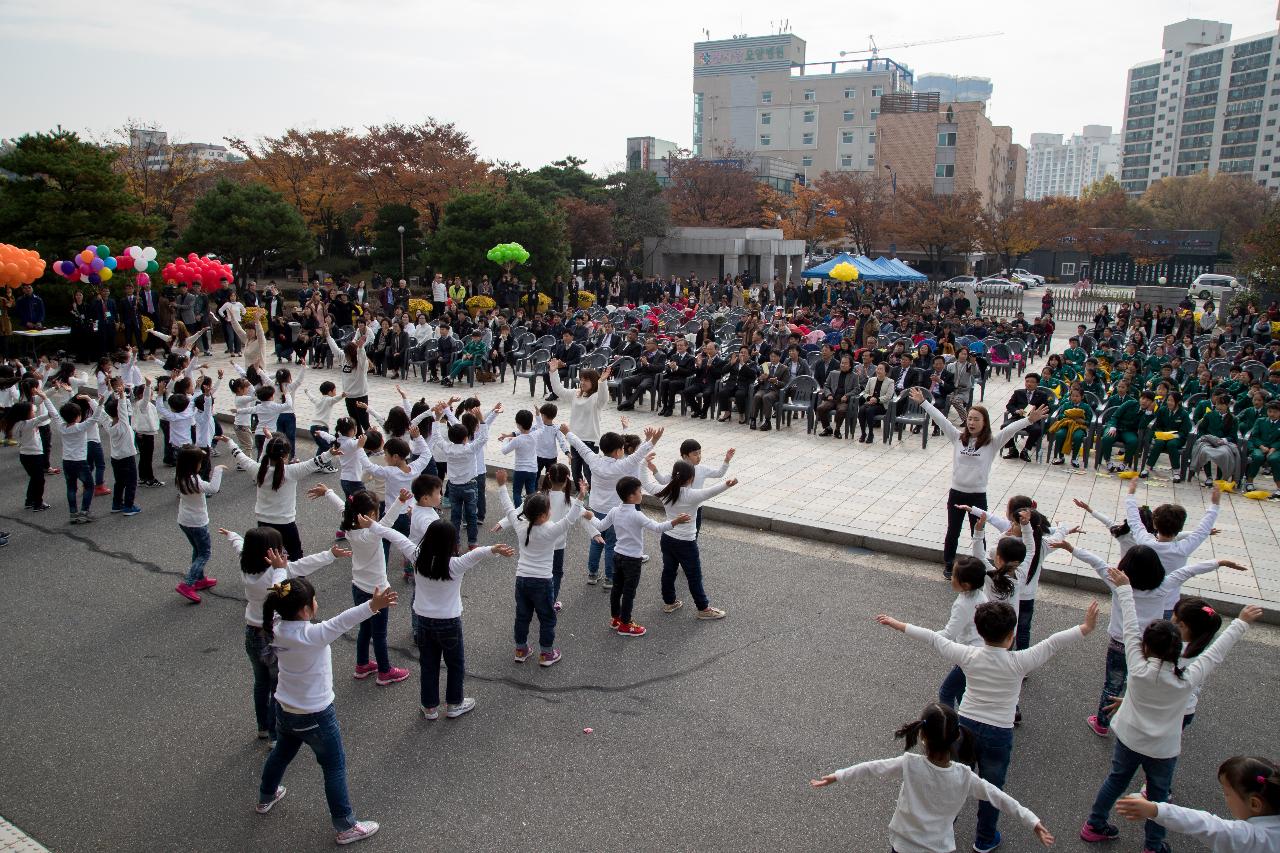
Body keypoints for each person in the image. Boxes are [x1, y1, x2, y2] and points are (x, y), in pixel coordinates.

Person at [876, 600, 1099, 853]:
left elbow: (933, 638)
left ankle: (943, 826)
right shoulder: (1020, 661)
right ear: (1012, 635)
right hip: (999, 735)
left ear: (979, 632)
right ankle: (984, 839)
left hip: (964, 729)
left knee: (953, 779)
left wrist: (897, 624)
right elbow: (1053, 642)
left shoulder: (968, 655)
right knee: (991, 790)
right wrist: (1086, 626)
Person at [1078, 569, 1259, 852]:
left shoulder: (1137, 667)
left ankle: (1094, 825)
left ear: (1145, 646)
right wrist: (1241, 622)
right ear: (1179, 647)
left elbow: (1130, 627)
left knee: (1115, 781)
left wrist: (1125, 589)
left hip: (1128, 738)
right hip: (1162, 749)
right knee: (1158, 798)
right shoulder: (1187, 677)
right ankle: (1153, 844)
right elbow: (1216, 651)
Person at [1050, 536, 1245, 738]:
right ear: (1157, 568)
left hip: (1119, 644)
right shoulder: (1164, 586)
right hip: (1152, 645)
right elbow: (1189, 570)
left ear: (1125, 567)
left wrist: (1071, 548)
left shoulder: (1117, 583)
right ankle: (1136, 718)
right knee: (1142, 681)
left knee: (1112, 684)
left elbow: (1096, 561)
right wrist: (1218, 563)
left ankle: (1102, 723)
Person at [255, 577, 393, 846]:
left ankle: (266, 795)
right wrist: (373, 605)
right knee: (334, 766)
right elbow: (343, 620)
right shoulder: (312, 635)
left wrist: (280, 572)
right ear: (306, 610)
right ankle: (345, 825)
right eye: (314, 600)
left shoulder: (276, 627)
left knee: (282, 753)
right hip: (316, 715)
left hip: (285, 709)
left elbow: (278, 595)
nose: (317, 603)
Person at [809, 702, 1054, 853]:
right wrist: (1032, 821)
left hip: (903, 844)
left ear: (922, 737)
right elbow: (999, 797)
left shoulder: (910, 765)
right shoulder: (965, 776)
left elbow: (872, 768)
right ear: (957, 737)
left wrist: (838, 776)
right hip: (939, 847)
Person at [220, 526, 342, 745]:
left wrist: (232, 536)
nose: (283, 551)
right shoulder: (275, 577)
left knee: (260, 682)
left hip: (252, 633)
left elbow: (240, 547)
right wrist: (329, 555)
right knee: (277, 685)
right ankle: (276, 736)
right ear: (270, 553)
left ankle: (263, 728)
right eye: (279, 548)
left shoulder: (247, 567)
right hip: (271, 634)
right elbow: (297, 570)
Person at [912, 387, 1048, 579]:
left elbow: (1010, 429)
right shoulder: (958, 438)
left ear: (984, 422)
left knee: (978, 532)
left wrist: (1029, 420)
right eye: (969, 419)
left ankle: (979, 565)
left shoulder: (992, 442)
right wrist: (923, 402)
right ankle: (949, 564)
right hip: (956, 493)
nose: (972, 422)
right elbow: (941, 420)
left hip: (977, 496)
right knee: (953, 531)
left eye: (977, 419)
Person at [387, 518, 513, 719]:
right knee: (455, 664)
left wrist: (373, 526)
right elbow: (476, 554)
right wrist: (494, 549)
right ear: (452, 543)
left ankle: (429, 707)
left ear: (427, 539)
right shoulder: (455, 564)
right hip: (449, 623)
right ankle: (454, 704)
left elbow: (396, 536)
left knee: (428, 664)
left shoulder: (417, 556)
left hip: (423, 621)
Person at [494, 468, 590, 666]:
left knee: (522, 616)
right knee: (547, 618)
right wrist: (581, 496)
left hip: (522, 580)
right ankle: (546, 653)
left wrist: (502, 485)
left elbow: (509, 509)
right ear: (546, 513)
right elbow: (570, 518)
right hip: (542, 582)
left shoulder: (521, 526)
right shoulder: (552, 531)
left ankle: (521, 649)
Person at [1114, 755, 1279, 853]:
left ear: (1255, 804)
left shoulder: (1252, 839)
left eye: (1227, 793)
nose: (1225, 798)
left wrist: (1156, 810)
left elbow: (1205, 824)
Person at [592, 475, 690, 637]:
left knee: (617, 589)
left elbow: (601, 525)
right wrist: (675, 522)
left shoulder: (615, 511)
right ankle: (626, 623)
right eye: (639, 491)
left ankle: (615, 619)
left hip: (617, 556)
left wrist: (590, 517)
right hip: (632, 559)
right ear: (631, 496)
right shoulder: (637, 515)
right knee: (629, 592)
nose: (642, 494)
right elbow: (657, 527)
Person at [563, 425, 659, 588]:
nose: (623, 452)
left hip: (595, 507)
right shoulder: (620, 466)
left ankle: (592, 574)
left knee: (596, 540)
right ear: (617, 452)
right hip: (614, 511)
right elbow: (637, 457)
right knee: (612, 544)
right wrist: (651, 441)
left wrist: (567, 433)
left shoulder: (594, 460)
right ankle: (609, 577)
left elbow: (580, 446)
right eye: (622, 449)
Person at [642, 458, 735, 620]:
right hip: (686, 543)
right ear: (691, 478)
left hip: (668, 538)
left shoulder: (664, 491)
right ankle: (703, 608)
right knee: (694, 576)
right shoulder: (692, 495)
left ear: (673, 475)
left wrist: (643, 465)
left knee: (669, 571)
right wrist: (728, 483)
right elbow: (711, 491)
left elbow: (646, 483)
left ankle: (669, 602)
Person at [230, 433, 337, 560]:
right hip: (286, 523)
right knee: (295, 555)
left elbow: (240, 457)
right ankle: (295, 579)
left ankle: (274, 578)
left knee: (269, 556)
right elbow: (314, 463)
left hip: (263, 522)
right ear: (286, 455)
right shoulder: (292, 471)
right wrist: (330, 453)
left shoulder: (258, 469)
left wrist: (230, 442)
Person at [173, 442, 227, 603]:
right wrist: (217, 470)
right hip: (197, 523)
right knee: (204, 553)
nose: (200, 465)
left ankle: (200, 578)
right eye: (199, 462)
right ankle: (188, 583)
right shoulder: (195, 481)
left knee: (197, 549)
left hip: (184, 521)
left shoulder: (181, 477)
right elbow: (213, 488)